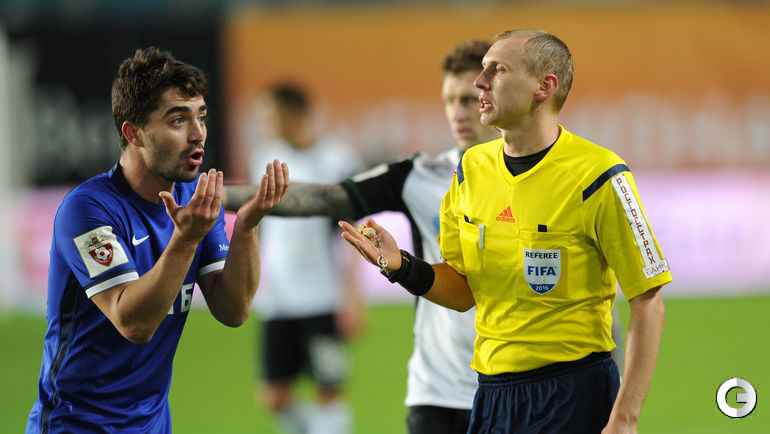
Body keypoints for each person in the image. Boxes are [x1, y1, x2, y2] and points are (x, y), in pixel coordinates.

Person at [339, 29, 671, 433]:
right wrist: (402, 267)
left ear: (544, 87)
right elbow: (463, 291)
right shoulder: (470, 170)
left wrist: (624, 419)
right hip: (493, 396)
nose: (480, 82)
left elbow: (648, 300)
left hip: (573, 393)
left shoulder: (600, 176)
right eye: (483, 70)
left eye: (497, 70)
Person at [227, 40, 497, 434]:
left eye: (468, 100)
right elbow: (327, 200)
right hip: (436, 389)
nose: (457, 112)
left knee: (328, 393)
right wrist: (214, 196)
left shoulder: (540, 182)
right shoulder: (419, 176)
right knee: (275, 395)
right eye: (449, 100)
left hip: (508, 383)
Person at [25, 47, 289, 434]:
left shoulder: (193, 198)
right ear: (133, 133)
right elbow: (134, 323)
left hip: (152, 424)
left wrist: (247, 227)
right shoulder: (88, 210)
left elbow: (233, 310)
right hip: (78, 424)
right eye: (178, 119)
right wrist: (186, 239)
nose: (198, 133)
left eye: (201, 116)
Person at [246, 83, 365, 434]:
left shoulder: (337, 159)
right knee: (274, 397)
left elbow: (352, 233)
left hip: (322, 298)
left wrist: (351, 297)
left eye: (270, 116)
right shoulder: (263, 159)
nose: (265, 124)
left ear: (293, 114)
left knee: (329, 390)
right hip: (279, 299)